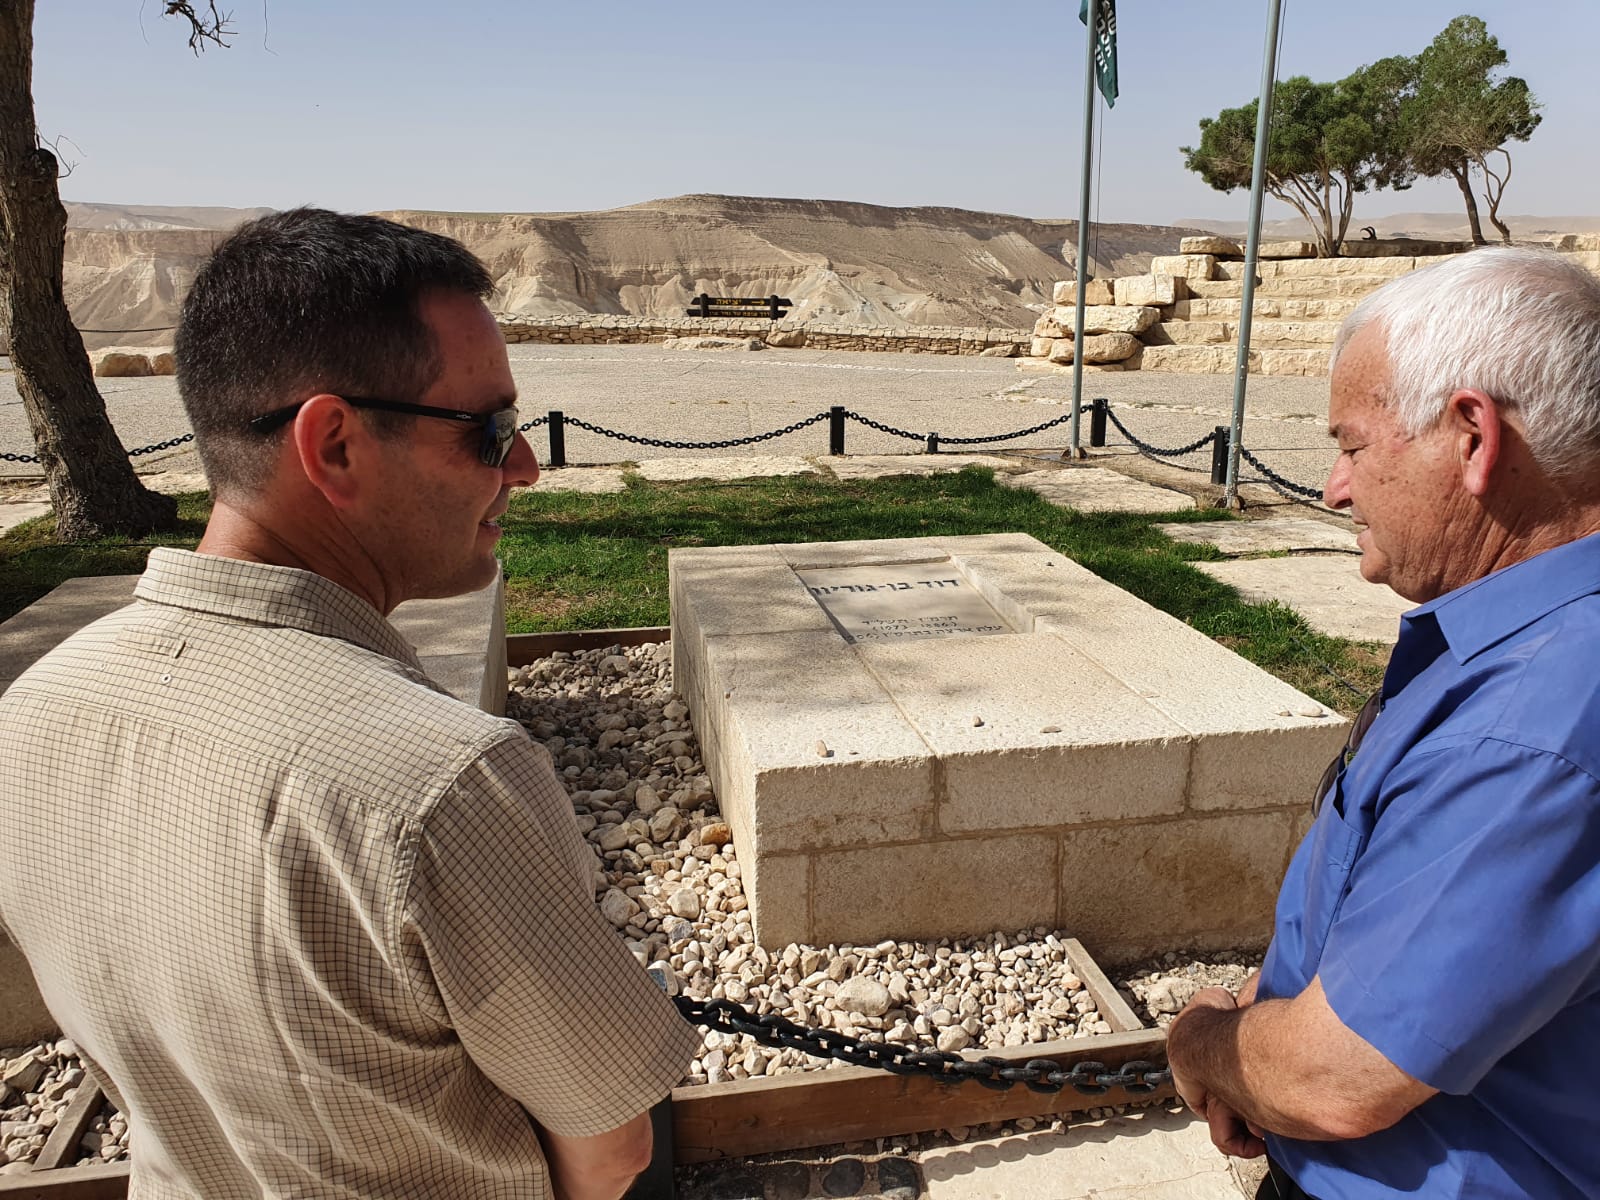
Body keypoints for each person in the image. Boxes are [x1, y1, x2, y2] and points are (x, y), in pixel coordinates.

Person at [0, 208, 699, 1199]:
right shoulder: (441, 785)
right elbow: (612, 1142)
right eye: (490, 428)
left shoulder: (32, 715)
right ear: (331, 444)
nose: (526, 467)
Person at [1165, 246, 1600, 1199]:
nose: (1334, 487)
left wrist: (1207, 1045)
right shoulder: (1524, 640)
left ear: (1473, 437)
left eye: (1353, 446)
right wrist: (1261, 1014)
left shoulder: (1532, 726)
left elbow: (1337, 1080)